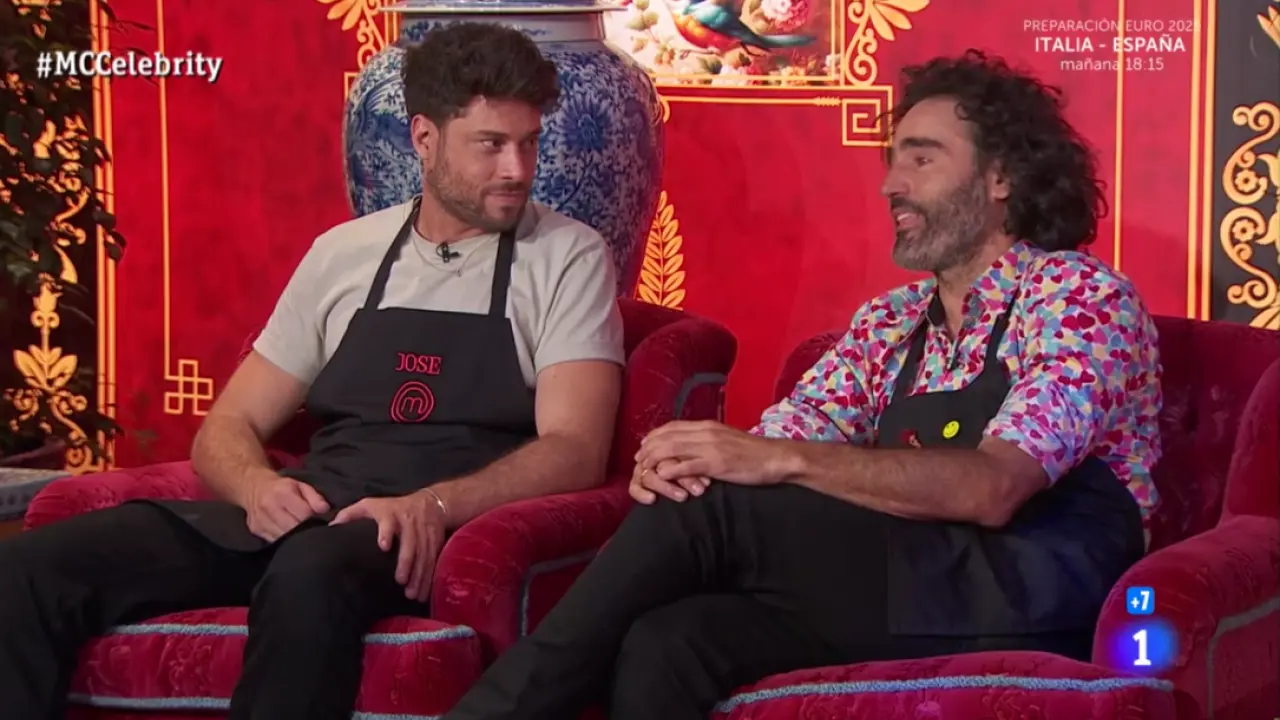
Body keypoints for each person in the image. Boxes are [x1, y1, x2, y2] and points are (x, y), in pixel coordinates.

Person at [441, 49, 1163, 720]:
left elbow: (993, 488)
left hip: (1035, 594)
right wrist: (692, 461)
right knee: (671, 639)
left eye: (922, 159)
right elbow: (776, 444)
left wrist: (769, 462)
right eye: (892, 161)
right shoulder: (891, 323)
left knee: (714, 509)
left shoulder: (1078, 296)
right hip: (909, 580)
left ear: (1001, 176)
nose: (892, 184)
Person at [0, 22, 626, 720]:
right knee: (30, 569)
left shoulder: (568, 256)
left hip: (416, 533)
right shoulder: (343, 253)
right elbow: (229, 426)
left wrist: (434, 506)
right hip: (306, 512)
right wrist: (257, 487)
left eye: (528, 142)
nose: (517, 168)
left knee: (309, 571)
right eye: (491, 144)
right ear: (424, 138)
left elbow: (576, 448)